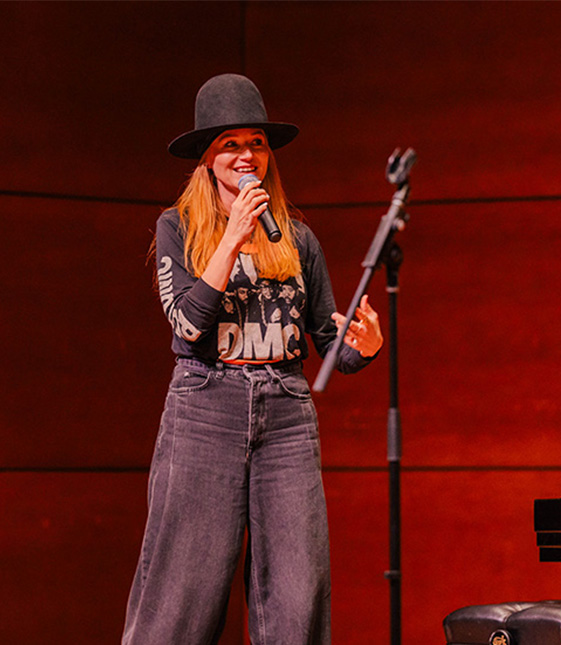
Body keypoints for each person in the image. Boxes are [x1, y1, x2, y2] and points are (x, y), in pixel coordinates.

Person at [122, 73, 383, 645]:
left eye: (257, 143)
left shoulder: (296, 238)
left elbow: (323, 337)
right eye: (231, 144)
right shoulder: (179, 228)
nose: (247, 156)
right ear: (207, 158)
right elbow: (187, 325)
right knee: (179, 598)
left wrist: (361, 346)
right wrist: (231, 238)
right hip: (204, 412)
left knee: (297, 595)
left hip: (286, 418)